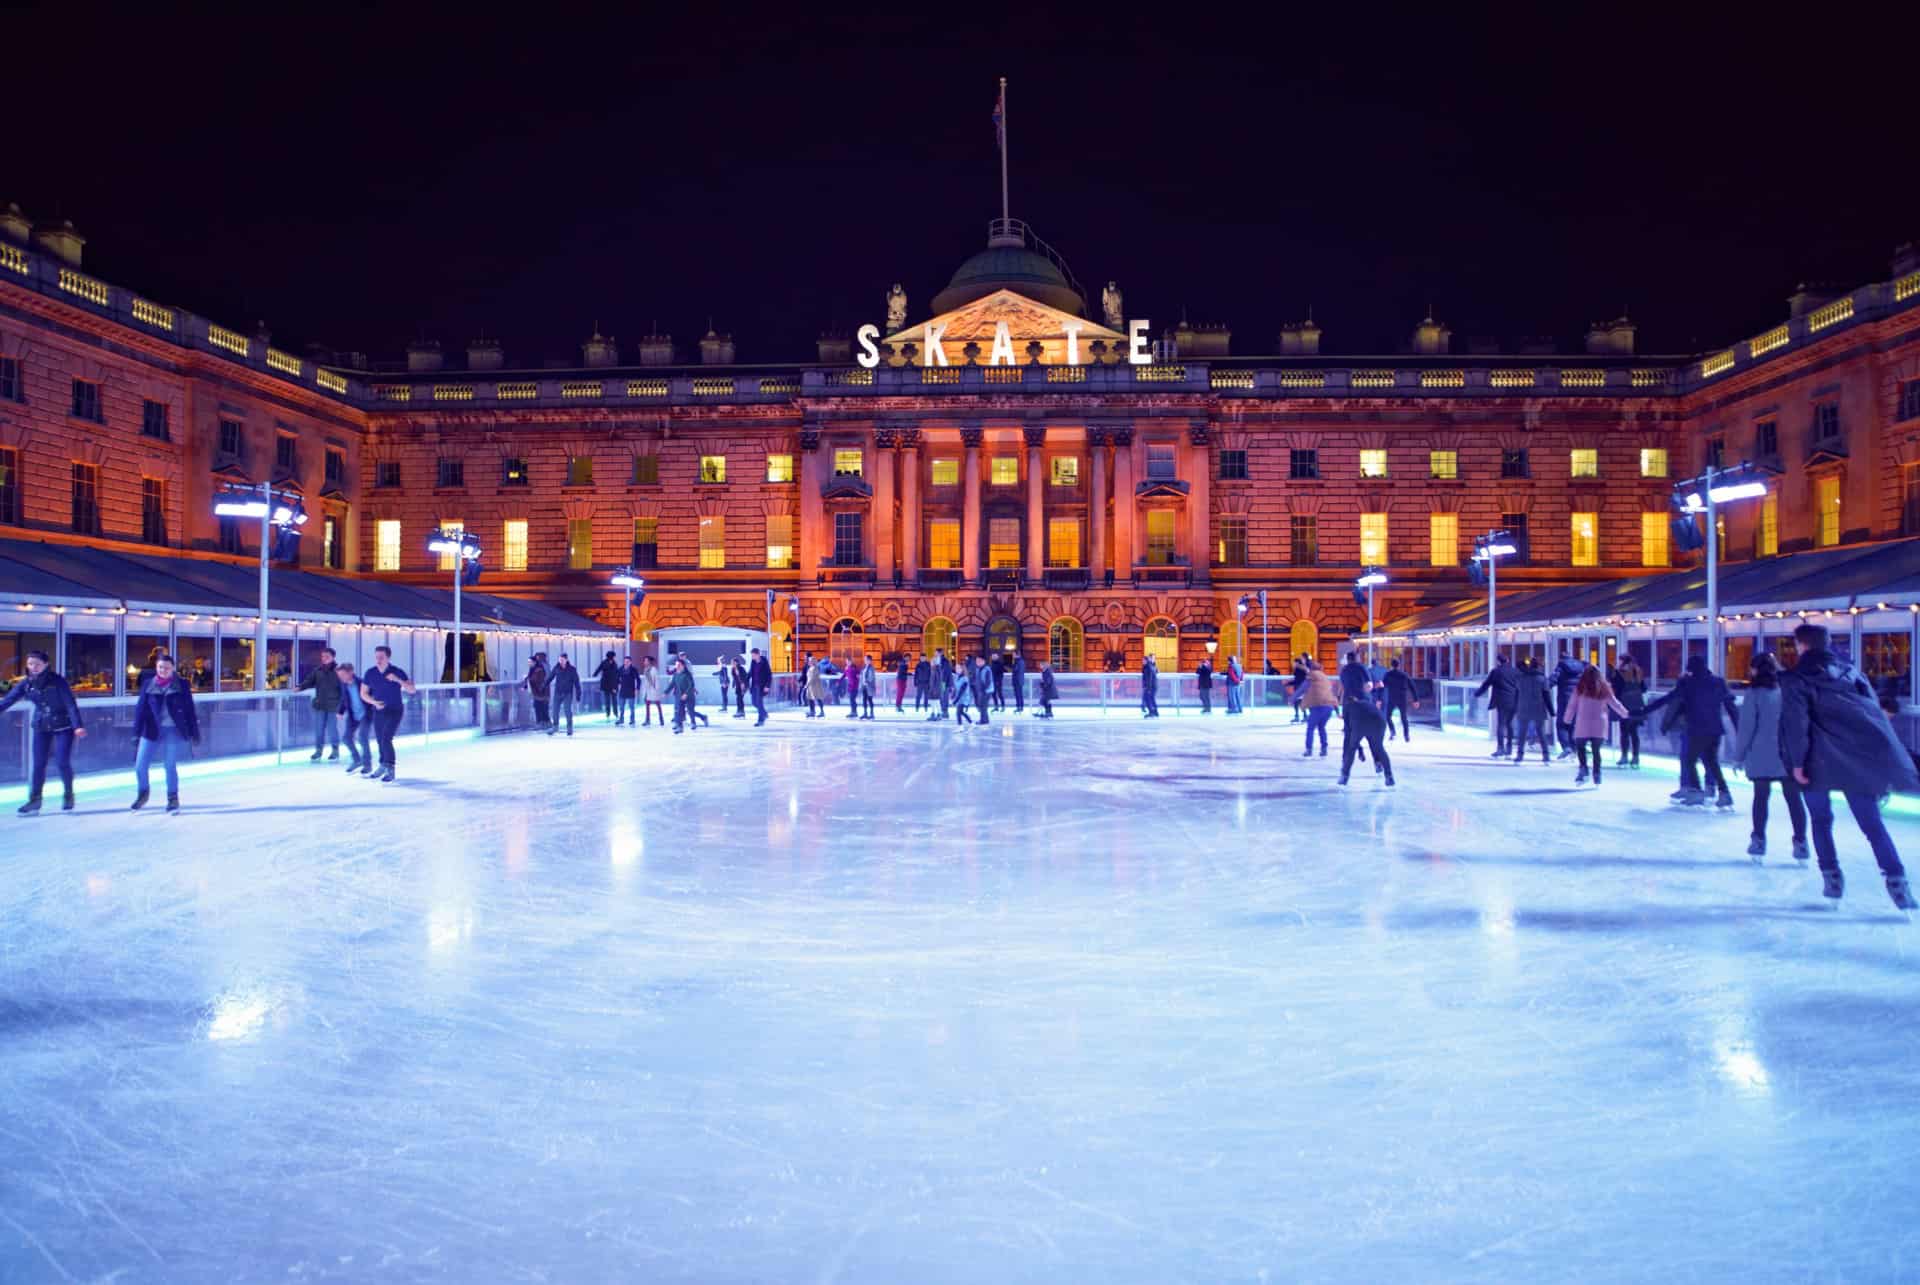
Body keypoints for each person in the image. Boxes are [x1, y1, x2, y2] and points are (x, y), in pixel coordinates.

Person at [1780, 622, 1918, 907]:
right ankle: (1897, 880)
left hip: (1815, 761)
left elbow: (1797, 725)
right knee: (1872, 825)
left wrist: (1796, 764)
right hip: (1856, 759)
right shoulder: (1853, 674)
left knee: (1820, 820)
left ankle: (1831, 878)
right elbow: (1875, 717)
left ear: (1801, 645)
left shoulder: (1796, 679)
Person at [1732, 652, 1807, 862]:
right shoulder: (1788, 690)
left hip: (1762, 753)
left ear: (1756, 669)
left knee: (1761, 798)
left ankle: (1758, 840)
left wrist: (1738, 756)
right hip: (1789, 754)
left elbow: (1747, 728)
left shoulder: (1755, 693)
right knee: (1794, 799)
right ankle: (1801, 842)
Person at [1645, 655, 1739, 807]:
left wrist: (1643, 710)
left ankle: (1696, 792)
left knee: (1689, 760)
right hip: (1715, 729)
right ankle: (1724, 792)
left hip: (1696, 728)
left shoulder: (1688, 683)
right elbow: (1731, 706)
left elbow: (1668, 699)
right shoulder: (1718, 682)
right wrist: (1738, 728)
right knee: (1711, 761)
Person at [1, 650, 86, 815]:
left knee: (62, 762)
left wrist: (78, 726)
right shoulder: (27, 683)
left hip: (63, 726)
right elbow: (9, 699)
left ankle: (68, 794)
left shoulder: (57, 681)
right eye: (30, 664)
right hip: (41, 726)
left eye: (37, 664)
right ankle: (35, 800)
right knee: (38, 764)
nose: (33, 667)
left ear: (46, 664)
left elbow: (70, 704)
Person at [129, 652, 196, 812]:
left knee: (169, 765)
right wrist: (136, 732)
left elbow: (189, 710)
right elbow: (140, 710)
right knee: (140, 765)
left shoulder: (182, 684)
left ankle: (173, 797)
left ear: (172, 668)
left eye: (166, 667)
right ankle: (143, 793)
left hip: (173, 730)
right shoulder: (148, 684)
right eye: (160, 667)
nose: (163, 670)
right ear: (156, 667)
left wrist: (194, 732)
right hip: (151, 729)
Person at [1561, 665, 1630, 787]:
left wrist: (1567, 719)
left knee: (1580, 747)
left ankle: (1583, 769)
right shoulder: (1604, 688)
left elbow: (1572, 705)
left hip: (1583, 722)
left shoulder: (1580, 688)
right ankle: (1597, 774)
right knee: (1596, 750)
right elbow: (1614, 703)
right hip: (1600, 723)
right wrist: (1625, 713)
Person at [359, 646, 415, 782]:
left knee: (386, 738)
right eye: (376, 657)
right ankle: (383, 764)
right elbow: (363, 693)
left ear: (388, 657)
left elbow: (412, 690)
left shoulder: (397, 671)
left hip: (395, 710)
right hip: (379, 710)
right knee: (379, 740)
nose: (378, 659)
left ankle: (390, 767)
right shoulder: (370, 673)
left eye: (381, 657)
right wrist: (374, 702)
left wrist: (397, 680)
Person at [1339, 684, 1393, 787]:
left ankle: (1344, 776)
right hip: (1379, 722)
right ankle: (1389, 776)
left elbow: (1349, 731)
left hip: (1361, 724)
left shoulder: (1347, 708)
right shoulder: (1365, 703)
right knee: (1379, 748)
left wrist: (1359, 750)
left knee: (1351, 749)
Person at [297, 646, 344, 761]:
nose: (324, 658)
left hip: (333, 706)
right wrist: (300, 687)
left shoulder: (339, 672)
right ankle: (318, 751)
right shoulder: (318, 670)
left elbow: (344, 690)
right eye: (322, 656)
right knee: (319, 729)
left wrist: (342, 708)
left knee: (332, 729)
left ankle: (335, 750)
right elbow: (309, 681)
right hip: (320, 705)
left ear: (333, 657)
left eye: (327, 656)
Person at [1474, 654, 1519, 757]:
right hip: (1513, 701)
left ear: (1498, 661)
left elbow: (1486, 684)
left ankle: (1500, 748)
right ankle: (1509, 748)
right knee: (1509, 724)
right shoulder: (1515, 671)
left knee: (1501, 724)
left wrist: (1477, 693)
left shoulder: (1496, 672)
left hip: (1501, 701)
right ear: (1508, 660)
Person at [1511, 658, 1554, 764]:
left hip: (1523, 707)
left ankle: (1519, 756)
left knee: (1522, 733)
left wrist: (1514, 708)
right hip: (1538, 708)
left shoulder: (1521, 678)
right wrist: (1551, 710)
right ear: (1538, 666)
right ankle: (1546, 756)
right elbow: (1546, 696)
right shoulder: (1542, 679)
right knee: (1541, 732)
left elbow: (1516, 694)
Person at [1609, 655, 1649, 768]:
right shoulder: (1638, 671)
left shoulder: (1619, 672)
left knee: (1624, 731)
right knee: (1634, 732)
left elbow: (1615, 688)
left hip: (1625, 704)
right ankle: (1636, 757)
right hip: (1637, 703)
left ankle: (1624, 756)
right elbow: (1644, 688)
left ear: (1622, 661)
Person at [1550, 646, 1588, 759]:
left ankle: (1567, 747)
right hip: (1579, 699)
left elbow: (1553, 680)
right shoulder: (1582, 666)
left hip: (1565, 699)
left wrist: (1544, 686)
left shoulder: (1561, 666)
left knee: (1561, 724)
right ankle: (1575, 749)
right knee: (1574, 724)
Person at [336, 662, 372, 775]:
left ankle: (367, 764)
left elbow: (372, 696)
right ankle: (357, 760)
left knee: (362, 738)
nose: (341, 678)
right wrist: (340, 711)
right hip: (353, 716)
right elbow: (343, 699)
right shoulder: (344, 685)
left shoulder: (362, 683)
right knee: (346, 738)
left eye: (342, 675)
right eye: (339, 676)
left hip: (366, 714)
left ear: (350, 672)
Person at [1301, 658, 1339, 756]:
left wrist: (1292, 699)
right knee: (1321, 727)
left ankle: (1309, 749)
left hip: (1319, 706)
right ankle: (1324, 748)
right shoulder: (1325, 678)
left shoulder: (1311, 676)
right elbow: (1330, 694)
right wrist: (1337, 710)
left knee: (1310, 728)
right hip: (1329, 707)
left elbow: (1302, 689)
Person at [548, 654, 581, 736]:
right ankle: (555, 727)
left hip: (567, 693)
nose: (561, 661)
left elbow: (576, 682)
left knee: (567, 711)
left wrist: (578, 694)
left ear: (566, 660)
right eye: (560, 659)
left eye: (562, 659)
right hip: (557, 693)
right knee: (555, 710)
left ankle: (569, 728)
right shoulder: (556, 668)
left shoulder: (572, 669)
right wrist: (544, 685)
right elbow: (550, 677)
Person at [1382, 658, 1414, 741]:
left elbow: (1384, 684)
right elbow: (1412, 686)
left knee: (1388, 716)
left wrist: (1379, 698)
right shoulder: (1404, 675)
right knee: (1404, 717)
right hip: (1402, 698)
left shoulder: (1388, 674)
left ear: (1391, 665)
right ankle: (1406, 735)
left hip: (1392, 698)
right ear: (1399, 665)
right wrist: (1416, 699)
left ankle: (1393, 731)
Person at [523, 655, 551, 729]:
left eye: (530, 662)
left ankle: (544, 723)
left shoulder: (539, 670)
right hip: (538, 693)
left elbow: (536, 680)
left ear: (534, 662)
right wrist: (525, 686)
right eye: (528, 662)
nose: (528, 663)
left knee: (542, 708)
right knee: (539, 708)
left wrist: (527, 678)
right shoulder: (533, 669)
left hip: (542, 693)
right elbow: (530, 679)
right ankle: (542, 723)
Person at [747, 647, 772, 726]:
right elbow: (750, 672)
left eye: (754, 655)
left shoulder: (764, 662)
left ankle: (761, 720)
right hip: (754, 685)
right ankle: (764, 713)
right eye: (752, 655)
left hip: (761, 686)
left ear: (758, 654)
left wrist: (767, 686)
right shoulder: (753, 662)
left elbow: (769, 675)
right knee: (754, 702)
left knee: (759, 702)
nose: (752, 657)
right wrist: (744, 680)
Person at [594, 650, 620, 720]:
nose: (615, 658)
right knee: (609, 700)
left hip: (611, 685)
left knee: (612, 700)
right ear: (611, 657)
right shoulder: (607, 663)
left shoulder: (613, 663)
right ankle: (610, 713)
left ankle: (613, 713)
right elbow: (600, 669)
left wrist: (618, 682)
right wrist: (594, 675)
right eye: (614, 656)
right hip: (608, 685)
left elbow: (616, 674)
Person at [615, 654, 641, 725]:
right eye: (625, 661)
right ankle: (621, 719)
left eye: (627, 661)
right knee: (621, 707)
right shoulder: (620, 669)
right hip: (622, 690)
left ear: (630, 662)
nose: (626, 663)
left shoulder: (634, 670)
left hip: (631, 690)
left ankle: (632, 720)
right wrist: (618, 686)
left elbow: (638, 680)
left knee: (631, 707)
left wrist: (637, 689)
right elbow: (616, 679)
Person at [642, 657, 666, 727]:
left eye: (646, 661)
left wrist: (656, 689)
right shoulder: (645, 670)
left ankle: (661, 719)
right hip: (647, 691)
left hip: (654, 690)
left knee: (658, 705)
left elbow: (657, 680)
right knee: (647, 705)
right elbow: (645, 681)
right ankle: (647, 720)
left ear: (649, 662)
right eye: (644, 660)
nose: (644, 662)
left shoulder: (654, 670)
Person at [969, 654, 992, 726]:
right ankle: (985, 719)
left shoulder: (987, 669)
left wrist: (984, 689)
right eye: (976, 661)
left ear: (983, 661)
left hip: (986, 691)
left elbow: (988, 681)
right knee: (982, 705)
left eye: (978, 661)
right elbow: (976, 679)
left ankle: (983, 720)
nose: (977, 662)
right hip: (980, 690)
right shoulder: (978, 669)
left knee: (983, 705)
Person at [804, 654, 829, 718]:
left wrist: (807, 685)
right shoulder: (811, 668)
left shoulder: (815, 668)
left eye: (810, 661)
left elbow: (812, 678)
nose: (809, 662)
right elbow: (809, 677)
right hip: (811, 686)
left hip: (815, 686)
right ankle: (812, 711)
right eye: (809, 661)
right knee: (810, 699)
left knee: (818, 698)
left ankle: (821, 711)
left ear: (813, 662)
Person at [929, 650, 951, 721]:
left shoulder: (944, 661)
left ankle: (944, 711)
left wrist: (946, 682)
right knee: (938, 697)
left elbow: (946, 672)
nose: (935, 654)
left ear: (941, 653)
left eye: (936, 653)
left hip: (943, 682)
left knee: (943, 696)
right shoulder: (936, 661)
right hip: (939, 682)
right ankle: (940, 712)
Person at [1290, 656, 1309, 723]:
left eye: (1294, 662)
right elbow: (1297, 679)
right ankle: (1300, 716)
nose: (1293, 664)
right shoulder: (1298, 669)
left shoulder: (1300, 669)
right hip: (1299, 688)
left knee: (1300, 702)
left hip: (1300, 689)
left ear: (1297, 663)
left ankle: (1302, 716)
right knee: (1298, 702)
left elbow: (1299, 680)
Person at [1141, 653, 1160, 718]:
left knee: (1148, 699)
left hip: (1150, 686)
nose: (1142, 662)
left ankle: (1151, 712)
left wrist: (1148, 688)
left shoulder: (1148, 667)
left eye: (1143, 660)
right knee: (1152, 699)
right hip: (1153, 685)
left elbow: (1149, 678)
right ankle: (1155, 712)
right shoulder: (1152, 666)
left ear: (1146, 660)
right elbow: (1156, 672)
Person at [859, 654, 877, 720]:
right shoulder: (864, 667)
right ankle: (865, 713)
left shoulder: (871, 668)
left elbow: (871, 677)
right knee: (864, 700)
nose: (865, 660)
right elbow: (862, 676)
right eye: (865, 659)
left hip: (869, 686)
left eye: (866, 659)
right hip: (864, 686)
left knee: (870, 699)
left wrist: (867, 681)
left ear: (869, 660)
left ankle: (871, 713)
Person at [1010, 649, 1026, 714]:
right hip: (1019, 680)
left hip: (1018, 681)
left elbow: (1015, 670)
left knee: (1018, 694)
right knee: (1019, 694)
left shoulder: (1018, 661)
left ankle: (1019, 707)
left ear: (1017, 655)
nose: (1012, 655)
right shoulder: (1020, 661)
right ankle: (1020, 707)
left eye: (1013, 654)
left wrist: (1012, 667)